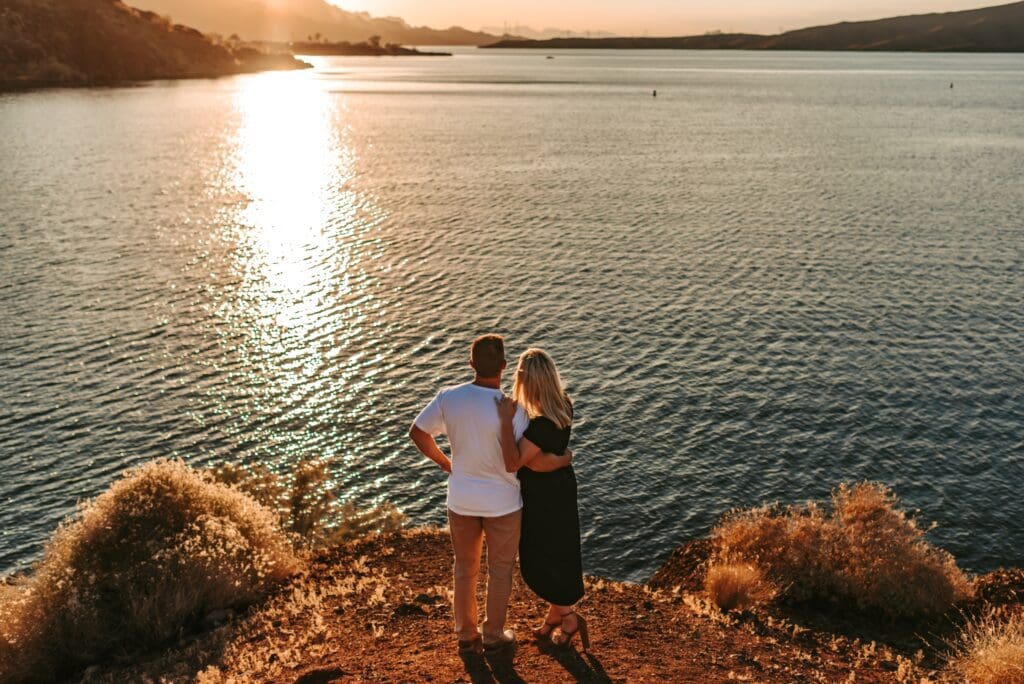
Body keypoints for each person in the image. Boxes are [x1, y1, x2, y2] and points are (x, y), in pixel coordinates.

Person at [409, 335, 572, 655]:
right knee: (499, 571)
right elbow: (533, 462)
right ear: (503, 366)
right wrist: (565, 458)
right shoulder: (515, 411)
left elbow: (418, 432)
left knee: (464, 568)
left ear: (471, 364)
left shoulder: (448, 398)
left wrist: (445, 462)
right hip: (503, 505)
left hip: (462, 501)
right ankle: (494, 635)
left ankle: (467, 637)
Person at [496, 348, 589, 651]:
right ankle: (554, 617)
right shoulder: (564, 407)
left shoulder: (539, 426)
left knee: (536, 559)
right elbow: (545, 459)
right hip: (561, 489)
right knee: (559, 552)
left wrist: (503, 422)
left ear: (528, 381)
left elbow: (518, 463)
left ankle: (570, 617)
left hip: (541, 497)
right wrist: (563, 460)